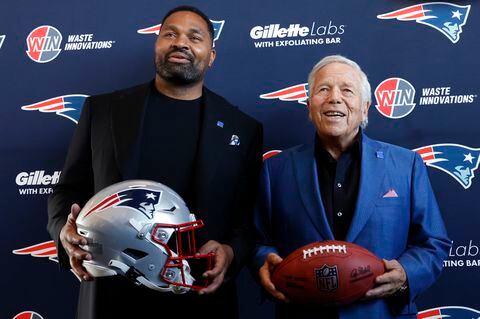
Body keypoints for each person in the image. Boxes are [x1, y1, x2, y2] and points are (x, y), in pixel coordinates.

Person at [47, 5, 263, 319]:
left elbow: (247, 220)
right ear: (156, 45)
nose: (181, 43)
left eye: (194, 37)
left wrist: (230, 252)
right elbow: (66, 191)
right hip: (112, 292)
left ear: (211, 55)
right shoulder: (102, 111)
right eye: (170, 34)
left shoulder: (242, 128)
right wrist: (63, 233)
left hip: (199, 294)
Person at [252, 55, 450, 319]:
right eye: (323, 89)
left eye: (347, 90)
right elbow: (257, 240)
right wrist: (263, 261)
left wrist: (406, 274)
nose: (335, 98)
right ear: (310, 106)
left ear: (365, 107)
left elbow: (433, 242)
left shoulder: (406, 165)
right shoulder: (275, 170)